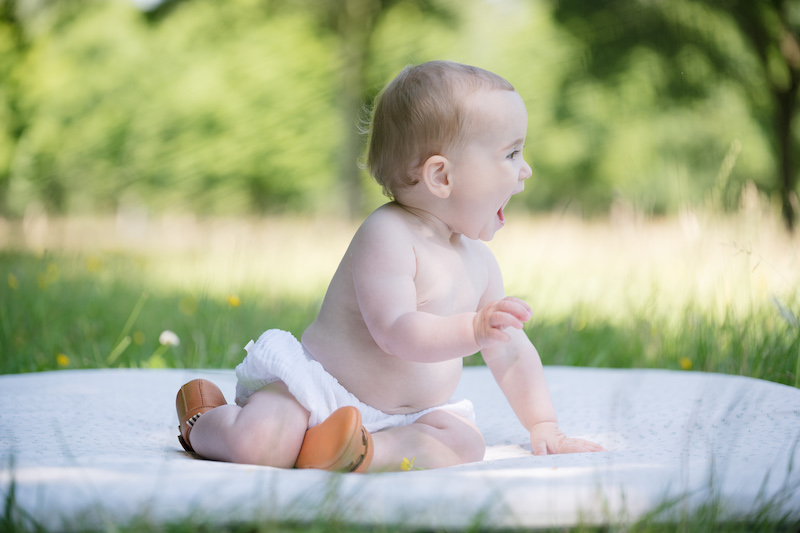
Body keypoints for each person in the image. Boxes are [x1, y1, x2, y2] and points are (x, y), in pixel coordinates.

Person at [175, 60, 605, 473]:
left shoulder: (481, 263)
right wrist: (473, 329)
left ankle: (360, 451)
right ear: (441, 177)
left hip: (412, 415)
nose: (525, 170)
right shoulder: (388, 235)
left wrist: (543, 425)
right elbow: (395, 331)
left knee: (465, 442)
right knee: (262, 442)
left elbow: (510, 351)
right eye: (511, 154)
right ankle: (206, 421)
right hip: (319, 393)